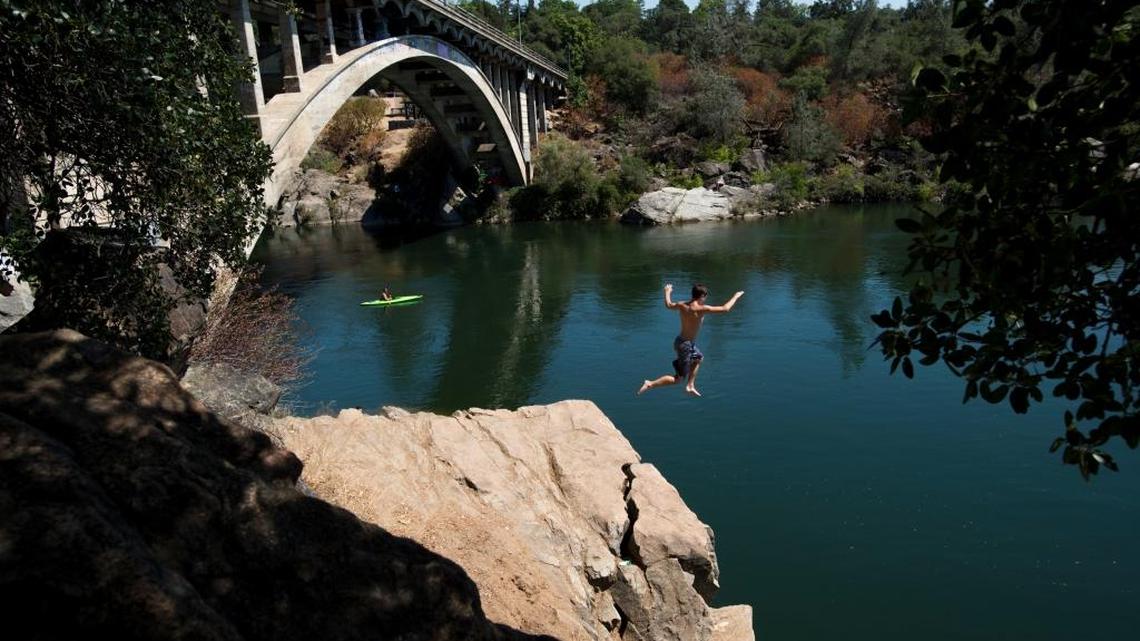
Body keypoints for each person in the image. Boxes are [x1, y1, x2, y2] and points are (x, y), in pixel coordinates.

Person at [638, 283, 744, 397]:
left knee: (698, 358)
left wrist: (667, 292)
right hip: (685, 346)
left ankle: (690, 385)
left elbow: (668, 305)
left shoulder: (682, 305)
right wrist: (736, 296)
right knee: (678, 379)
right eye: (705, 296)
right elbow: (725, 309)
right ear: (702, 296)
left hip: (682, 342)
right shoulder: (701, 309)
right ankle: (650, 384)